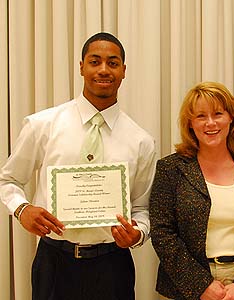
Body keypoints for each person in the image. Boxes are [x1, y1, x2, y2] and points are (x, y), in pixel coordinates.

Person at [0, 32, 156, 300]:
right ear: (81, 67)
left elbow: (141, 208)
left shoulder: (141, 140)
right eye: (95, 61)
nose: (104, 70)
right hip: (54, 263)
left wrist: (137, 234)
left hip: (113, 265)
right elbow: (8, 180)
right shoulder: (42, 125)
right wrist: (22, 209)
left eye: (113, 62)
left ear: (124, 71)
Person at [149, 81, 234, 300]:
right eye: (200, 116)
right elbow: (162, 233)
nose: (210, 123)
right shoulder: (170, 169)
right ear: (190, 123)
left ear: (232, 118)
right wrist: (201, 285)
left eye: (218, 113)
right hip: (186, 288)